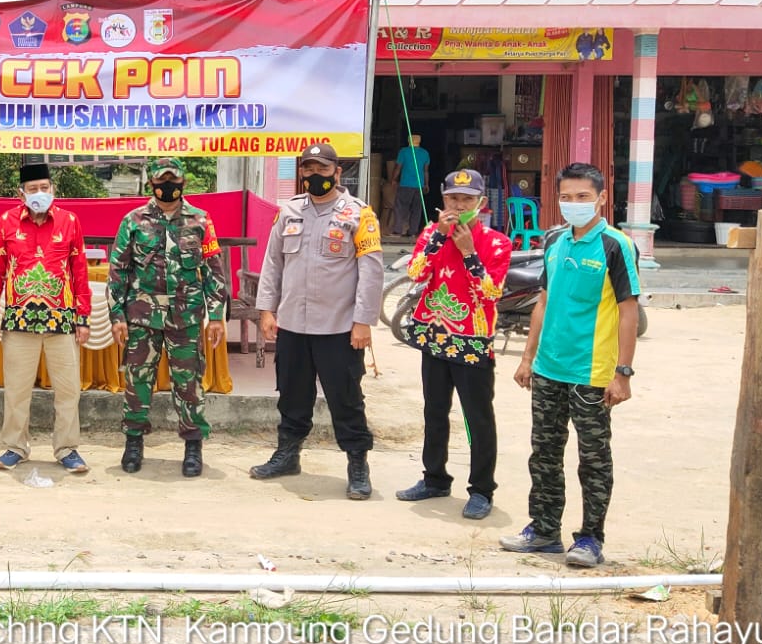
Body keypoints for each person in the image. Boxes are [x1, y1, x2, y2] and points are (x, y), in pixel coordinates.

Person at [504, 163, 641, 568]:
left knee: (593, 458)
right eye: (567, 197)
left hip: (592, 373)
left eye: (583, 196)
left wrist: (623, 372)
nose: (574, 203)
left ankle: (590, 539)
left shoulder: (616, 245)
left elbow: (628, 310)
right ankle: (544, 530)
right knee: (544, 452)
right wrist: (528, 359)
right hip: (549, 368)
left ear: (601, 198)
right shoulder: (555, 242)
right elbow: (543, 302)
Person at [252, 141, 383, 498]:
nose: (314, 176)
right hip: (293, 324)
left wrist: (363, 321)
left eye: (322, 169)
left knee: (346, 399)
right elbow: (273, 263)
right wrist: (267, 309)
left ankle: (358, 464)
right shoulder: (289, 211)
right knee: (292, 395)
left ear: (338, 173)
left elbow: (371, 272)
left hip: (338, 327)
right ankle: (288, 454)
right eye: (308, 169)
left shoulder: (359, 214)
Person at [394, 169, 513, 520]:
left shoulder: (496, 242)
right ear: (443, 200)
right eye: (452, 198)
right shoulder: (432, 232)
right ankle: (434, 478)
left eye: (466, 199)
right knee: (434, 410)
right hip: (434, 334)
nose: (459, 206)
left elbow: (491, 293)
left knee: (478, 417)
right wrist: (438, 240)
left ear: (481, 202)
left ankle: (481, 489)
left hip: (472, 341)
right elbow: (415, 274)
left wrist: (468, 252)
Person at [107, 157, 227, 478]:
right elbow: (117, 270)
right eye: (162, 181)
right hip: (142, 318)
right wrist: (116, 315)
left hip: (185, 318)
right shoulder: (133, 221)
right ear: (152, 185)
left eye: (173, 180)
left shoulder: (201, 221)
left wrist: (216, 315)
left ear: (183, 183)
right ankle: (133, 442)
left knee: (189, 384)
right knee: (137, 382)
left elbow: (213, 270)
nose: (167, 186)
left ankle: (192, 445)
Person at [0, 163, 91, 474]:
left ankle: (67, 448)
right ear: (21, 193)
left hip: (62, 321)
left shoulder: (70, 221)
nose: (40, 194)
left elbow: (79, 272)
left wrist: (83, 317)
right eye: (33, 189)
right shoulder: (6, 222)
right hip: (19, 321)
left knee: (68, 389)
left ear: (53, 190)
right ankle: (16, 447)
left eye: (45, 187)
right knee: (17, 389)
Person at [392, 135, 430, 237]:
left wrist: (393, 179)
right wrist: (426, 184)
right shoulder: (425, 153)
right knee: (416, 209)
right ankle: (412, 232)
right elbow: (425, 171)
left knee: (400, 207)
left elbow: (398, 168)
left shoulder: (403, 151)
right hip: (419, 185)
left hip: (405, 184)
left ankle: (398, 230)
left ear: (408, 140)